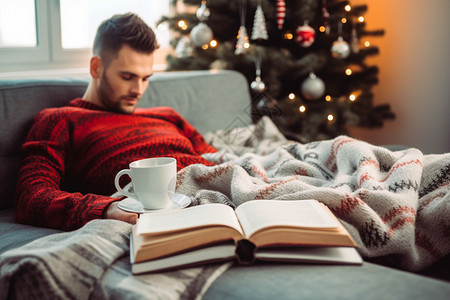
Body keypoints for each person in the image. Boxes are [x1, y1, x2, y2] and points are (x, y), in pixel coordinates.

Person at [15, 13, 217, 231]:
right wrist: (106, 210)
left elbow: (216, 161)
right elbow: (32, 195)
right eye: (127, 77)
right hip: (157, 216)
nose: (138, 90)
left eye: (145, 78)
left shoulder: (167, 115)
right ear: (96, 68)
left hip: (215, 200)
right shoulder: (59, 120)